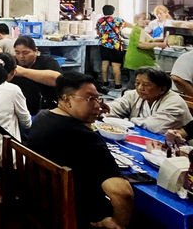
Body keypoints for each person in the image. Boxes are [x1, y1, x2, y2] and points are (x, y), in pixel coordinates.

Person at [27, 72, 134, 229]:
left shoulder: (43, 117)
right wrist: (118, 223)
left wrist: (89, 115)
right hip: (76, 215)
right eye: (90, 99)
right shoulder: (85, 138)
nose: (98, 105)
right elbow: (122, 193)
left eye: (98, 99)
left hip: (40, 204)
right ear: (67, 100)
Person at [106, 66, 192, 134]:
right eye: (137, 83)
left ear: (162, 89)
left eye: (146, 85)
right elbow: (116, 106)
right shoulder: (134, 94)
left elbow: (156, 126)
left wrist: (128, 121)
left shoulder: (174, 102)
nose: (140, 88)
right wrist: (103, 109)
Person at [11, 36, 61, 115]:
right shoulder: (13, 64)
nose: (21, 57)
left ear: (35, 52)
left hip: (45, 110)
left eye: (25, 53)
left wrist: (23, 72)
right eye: (17, 53)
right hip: (20, 110)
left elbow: (57, 79)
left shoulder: (47, 62)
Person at [123, 13, 166, 90]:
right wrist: (159, 44)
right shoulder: (137, 30)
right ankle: (126, 100)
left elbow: (150, 40)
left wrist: (161, 40)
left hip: (140, 61)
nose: (146, 21)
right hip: (137, 61)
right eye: (143, 19)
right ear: (136, 20)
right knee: (134, 85)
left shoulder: (141, 30)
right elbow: (141, 44)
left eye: (148, 19)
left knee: (136, 84)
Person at [96, 5, 131, 89]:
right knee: (116, 65)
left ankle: (105, 83)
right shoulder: (117, 20)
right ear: (113, 11)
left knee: (105, 63)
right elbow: (129, 25)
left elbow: (98, 32)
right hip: (115, 45)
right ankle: (117, 84)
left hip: (103, 44)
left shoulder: (99, 21)